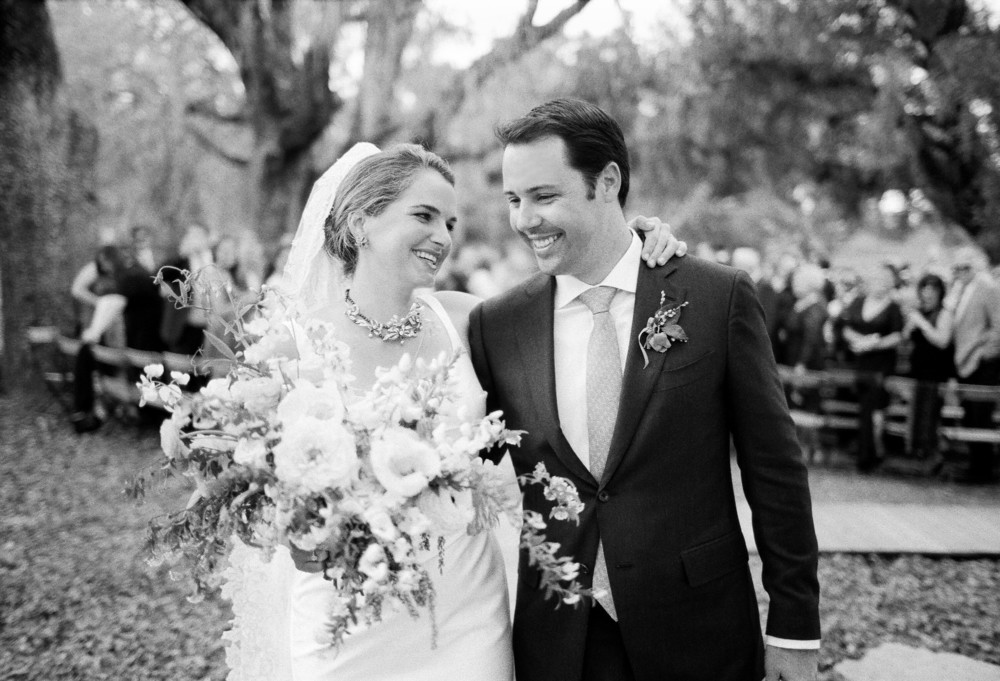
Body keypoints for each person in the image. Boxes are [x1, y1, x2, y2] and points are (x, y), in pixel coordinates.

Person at [221, 142, 684, 681]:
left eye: (450, 221)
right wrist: (297, 534)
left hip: (467, 613)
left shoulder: (465, 321)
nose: (442, 236)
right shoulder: (287, 350)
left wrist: (635, 241)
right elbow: (243, 490)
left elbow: (583, 300)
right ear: (361, 221)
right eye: (423, 215)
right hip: (341, 619)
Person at [469, 99, 819, 681]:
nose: (524, 219)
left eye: (544, 196)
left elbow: (776, 474)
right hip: (560, 641)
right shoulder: (496, 325)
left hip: (699, 631)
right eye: (513, 199)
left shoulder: (716, 298)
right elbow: (462, 468)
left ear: (607, 182)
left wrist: (794, 630)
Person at [840, 263, 904, 471]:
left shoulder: (893, 308)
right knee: (863, 407)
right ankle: (867, 450)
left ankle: (869, 454)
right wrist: (860, 341)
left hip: (880, 365)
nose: (879, 285)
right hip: (859, 362)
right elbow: (846, 328)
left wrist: (874, 344)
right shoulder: (858, 302)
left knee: (873, 408)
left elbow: (897, 336)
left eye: (883, 282)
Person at [948, 246, 1000, 483]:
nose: (960, 272)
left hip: (981, 364)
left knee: (981, 416)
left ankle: (983, 469)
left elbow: (998, 327)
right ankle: (974, 466)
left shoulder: (988, 287)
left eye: (965, 267)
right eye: (956, 268)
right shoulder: (960, 290)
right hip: (963, 362)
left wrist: (982, 354)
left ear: (976, 266)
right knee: (970, 416)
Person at [903, 273, 954, 460]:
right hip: (918, 371)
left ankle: (932, 454)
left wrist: (922, 324)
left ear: (940, 292)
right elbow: (907, 339)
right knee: (917, 414)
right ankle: (916, 451)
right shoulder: (919, 312)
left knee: (930, 416)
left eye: (932, 289)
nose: (928, 293)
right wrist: (910, 326)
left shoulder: (944, 313)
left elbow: (942, 341)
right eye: (924, 288)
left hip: (935, 372)